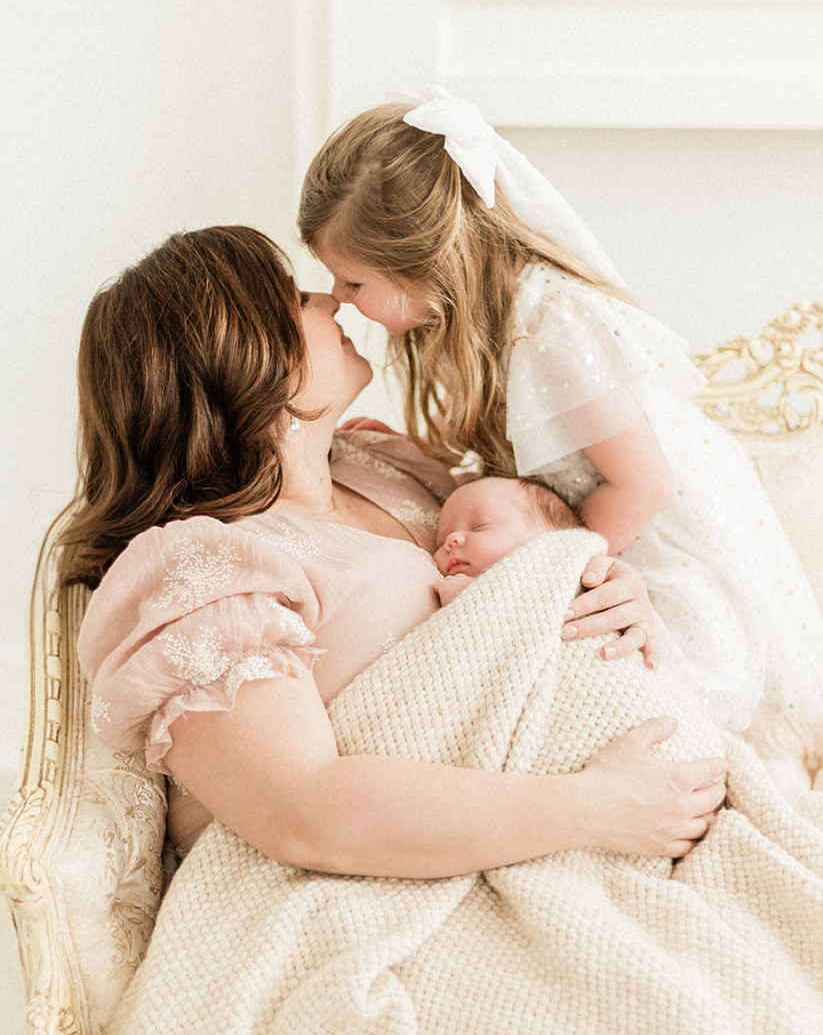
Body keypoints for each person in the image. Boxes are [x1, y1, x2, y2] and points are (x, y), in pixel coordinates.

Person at [65, 225, 725, 869]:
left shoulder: (379, 463)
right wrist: (596, 807)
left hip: (579, 803)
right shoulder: (207, 571)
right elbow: (302, 810)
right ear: (248, 359)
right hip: (405, 872)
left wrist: (599, 589)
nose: (330, 300)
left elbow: (521, 583)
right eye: (298, 300)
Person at [298, 93, 823, 746]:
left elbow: (641, 486)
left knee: (624, 684)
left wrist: (545, 580)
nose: (340, 301)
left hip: (652, 534)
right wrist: (419, 452)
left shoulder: (550, 326)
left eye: (352, 282)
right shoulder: (473, 320)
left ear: (431, 269)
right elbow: (533, 456)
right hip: (603, 505)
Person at [432, 474, 587, 610]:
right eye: (441, 540)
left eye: (479, 527)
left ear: (544, 542)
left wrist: (469, 598)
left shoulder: (565, 583)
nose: (451, 540)